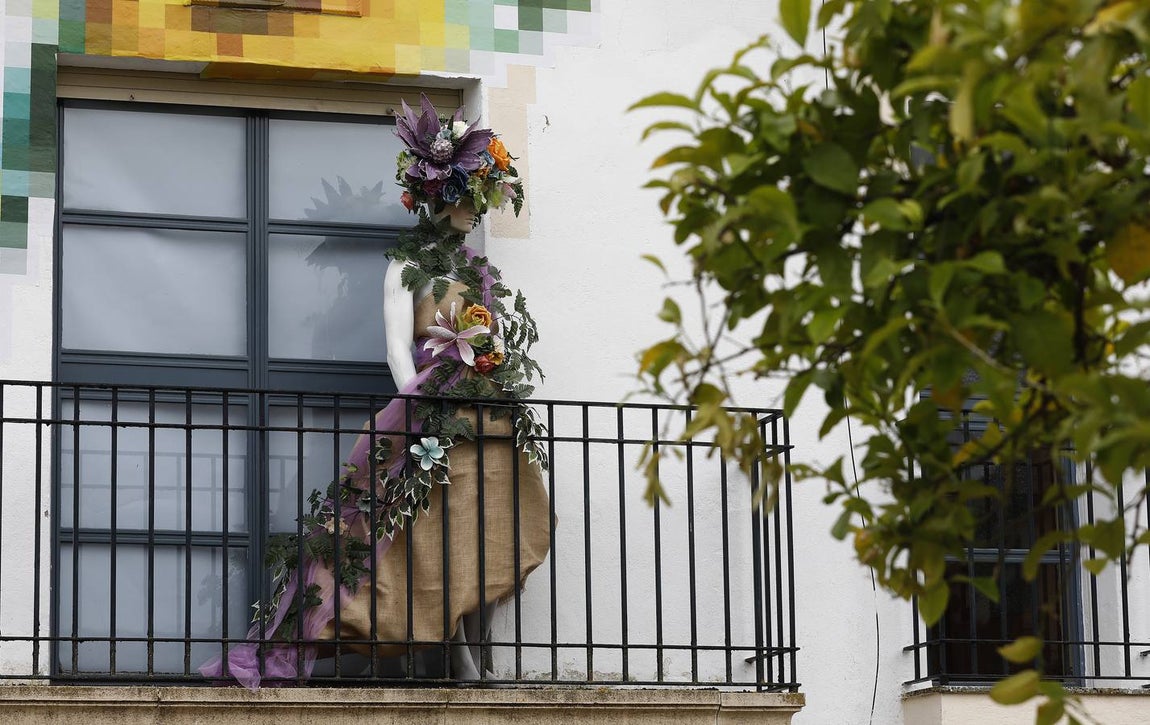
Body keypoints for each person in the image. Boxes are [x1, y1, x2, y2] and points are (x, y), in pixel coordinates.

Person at [200, 95, 550, 690]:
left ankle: (472, 650)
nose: (477, 211)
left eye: (483, 198)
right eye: (470, 196)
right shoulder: (405, 265)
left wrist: (496, 374)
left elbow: (488, 336)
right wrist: (416, 412)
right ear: (441, 195)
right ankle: (451, 656)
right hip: (431, 405)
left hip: (482, 406)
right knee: (425, 531)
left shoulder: (477, 271)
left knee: (488, 522)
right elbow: (395, 347)